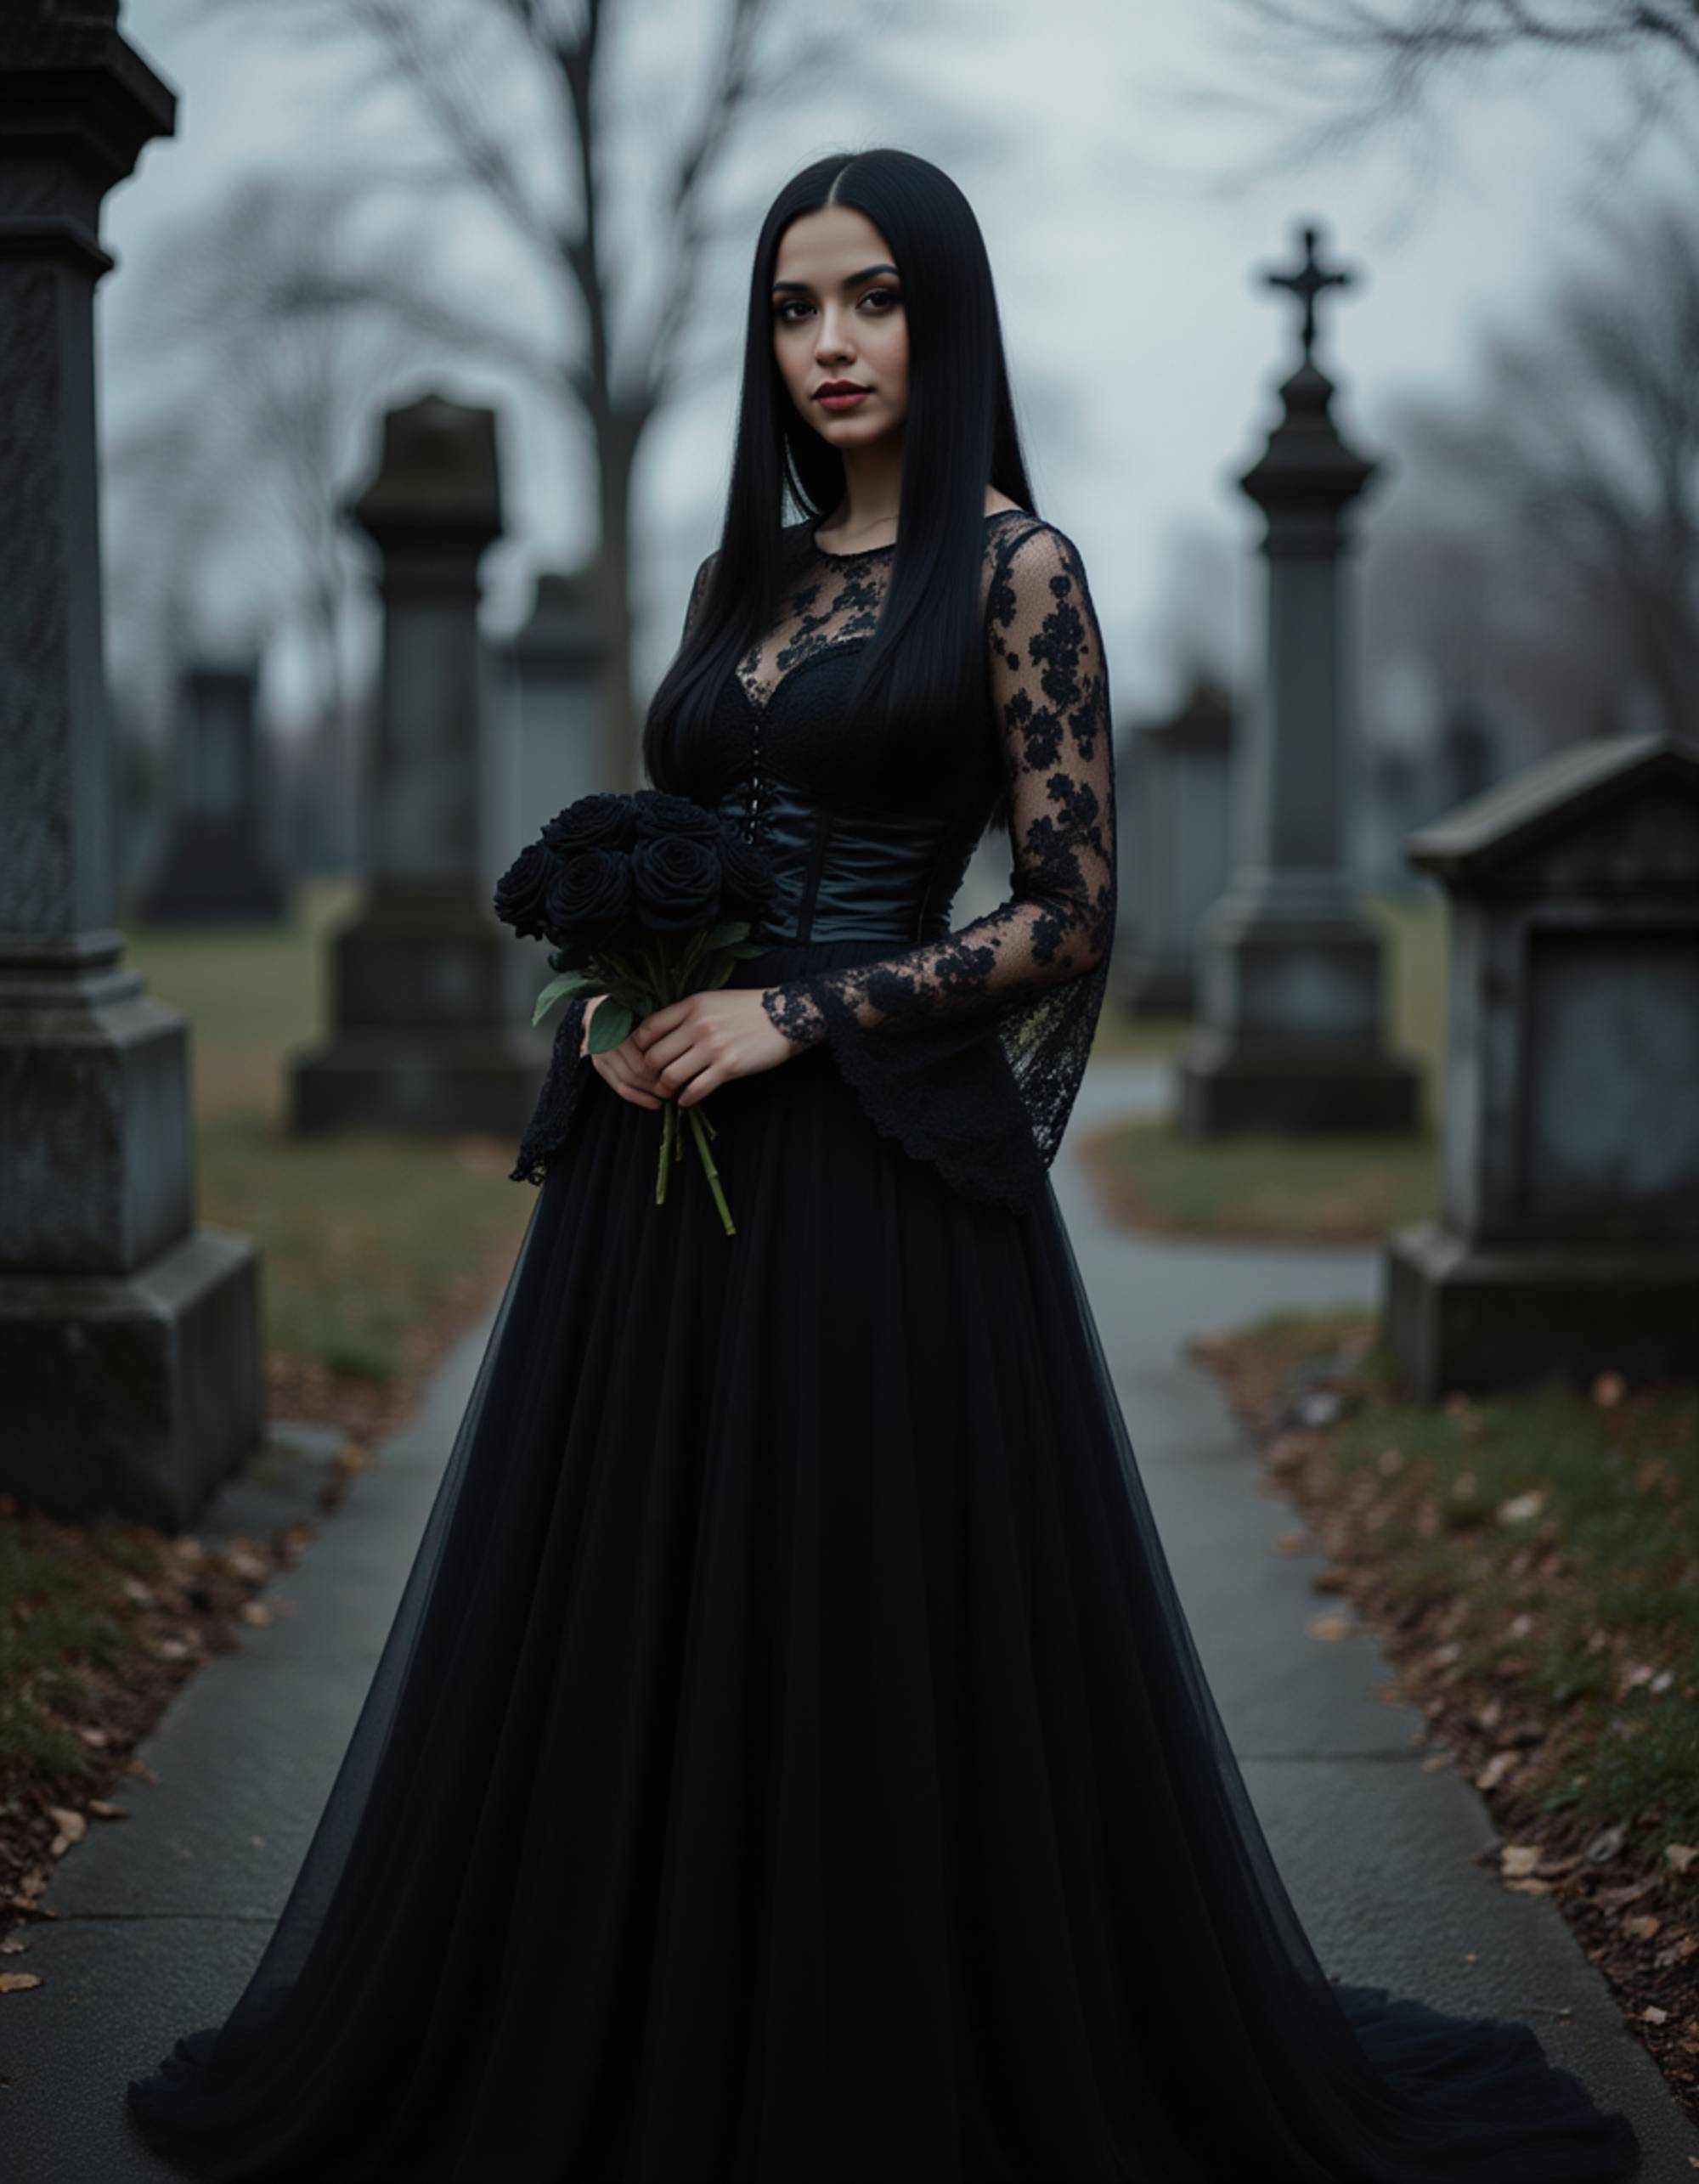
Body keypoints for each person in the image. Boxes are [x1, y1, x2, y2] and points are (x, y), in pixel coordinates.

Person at [127, 146, 1642, 2182]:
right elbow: (701, 849)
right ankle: (626, 2013)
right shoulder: (735, 579)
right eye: (791, 306)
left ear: (942, 317)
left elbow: (1071, 910)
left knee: (856, 1628)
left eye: (870, 299)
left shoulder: (1016, 572)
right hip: (653, 1207)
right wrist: (615, 1000)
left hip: (869, 1190)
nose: (828, 343)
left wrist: (791, 1013)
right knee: (636, 1630)